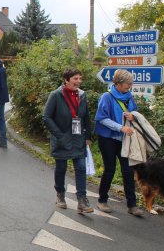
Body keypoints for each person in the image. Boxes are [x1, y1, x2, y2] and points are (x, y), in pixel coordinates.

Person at [94, 69, 145, 216]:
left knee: (128, 171)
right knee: (110, 169)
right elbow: (101, 118)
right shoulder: (106, 97)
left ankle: (132, 205)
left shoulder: (129, 97)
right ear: (118, 83)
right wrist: (120, 127)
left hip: (124, 139)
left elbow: (134, 113)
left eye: (131, 83)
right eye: (128, 83)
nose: (130, 85)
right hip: (108, 138)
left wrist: (133, 117)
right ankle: (102, 200)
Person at [43, 68, 93, 213]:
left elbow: (86, 117)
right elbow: (47, 117)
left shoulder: (82, 95)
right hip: (62, 138)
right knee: (61, 168)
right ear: (66, 80)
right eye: (75, 79)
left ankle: (82, 200)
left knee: (81, 167)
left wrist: (88, 137)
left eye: (80, 78)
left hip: (78, 137)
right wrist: (59, 135)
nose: (79, 81)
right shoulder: (56, 95)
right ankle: (60, 194)